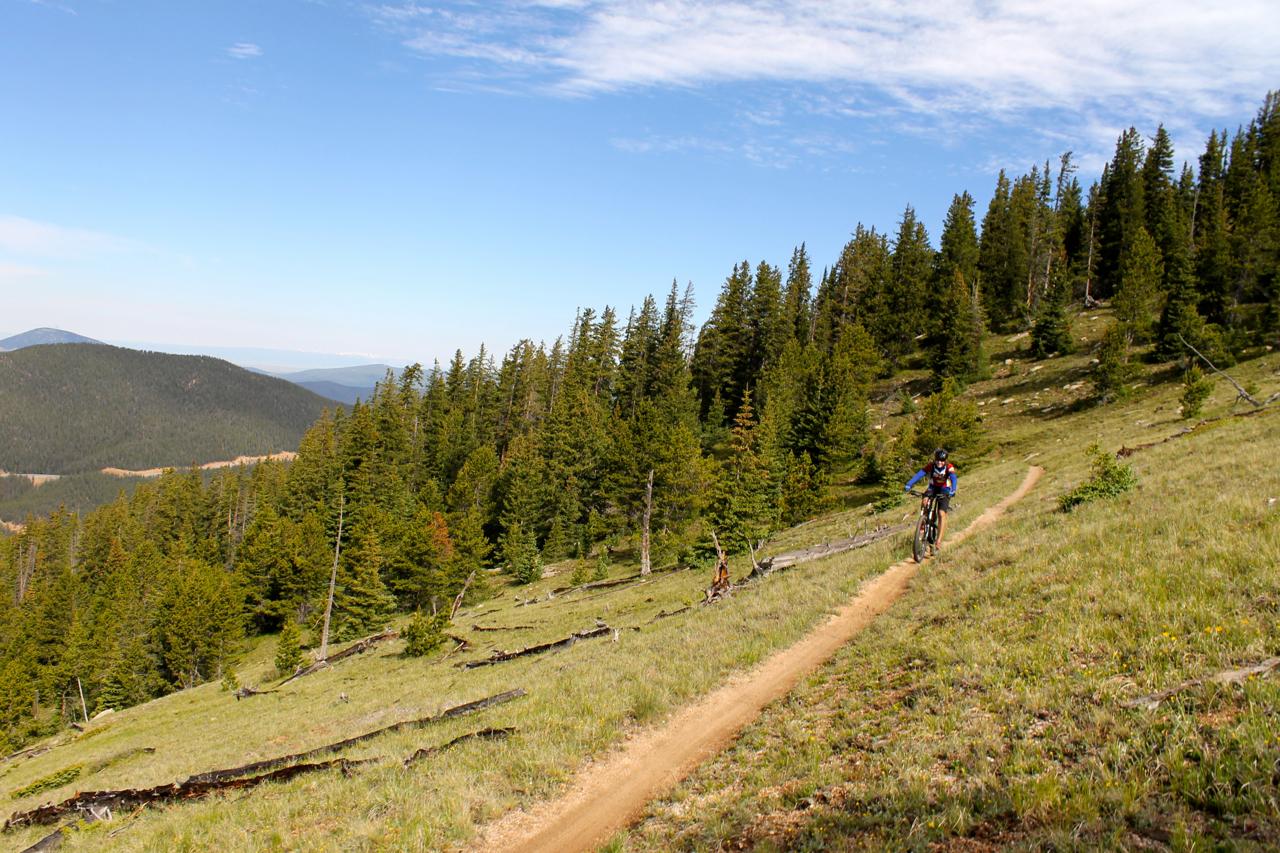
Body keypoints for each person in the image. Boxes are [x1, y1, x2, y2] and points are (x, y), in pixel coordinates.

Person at [904, 448, 957, 552]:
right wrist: (909, 483)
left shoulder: (949, 467)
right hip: (932, 487)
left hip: (944, 489)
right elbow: (920, 473)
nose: (939, 463)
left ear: (945, 460)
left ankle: (938, 541)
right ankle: (923, 521)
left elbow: (953, 478)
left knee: (941, 513)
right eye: (937, 460)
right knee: (925, 500)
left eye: (942, 461)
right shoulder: (931, 465)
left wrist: (953, 489)